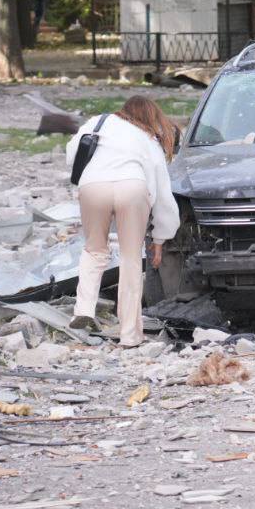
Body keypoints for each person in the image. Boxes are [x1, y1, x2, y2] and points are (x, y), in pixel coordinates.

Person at [66, 96, 181, 348]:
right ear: (151, 117)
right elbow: (163, 194)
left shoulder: (98, 122)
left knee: (94, 249)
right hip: (133, 186)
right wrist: (160, 237)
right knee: (130, 258)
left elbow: (72, 154)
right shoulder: (148, 139)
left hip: (93, 185)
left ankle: (83, 309)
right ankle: (130, 335)